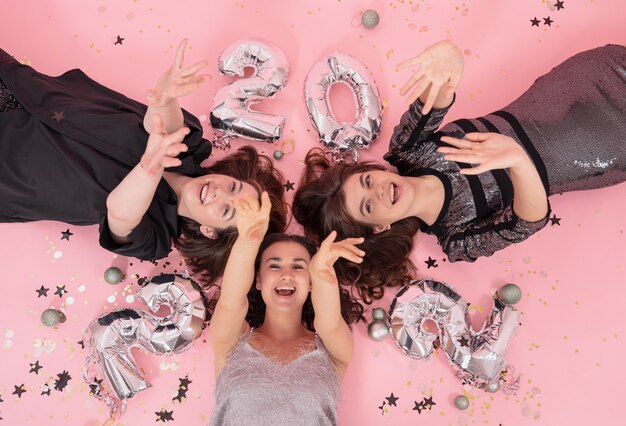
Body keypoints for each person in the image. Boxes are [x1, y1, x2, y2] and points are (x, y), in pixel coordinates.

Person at [293, 40, 626, 302]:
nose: (378, 189)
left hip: (580, 83)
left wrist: (448, 57)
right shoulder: (456, 238)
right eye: (368, 205)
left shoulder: (408, 150)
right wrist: (519, 161)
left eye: (366, 181)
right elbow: (528, 222)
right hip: (605, 146)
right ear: (379, 227)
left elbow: (440, 89)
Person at [0, 40, 288, 284]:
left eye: (225, 209)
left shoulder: (155, 238)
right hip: (20, 88)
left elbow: (120, 214)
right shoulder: (190, 148)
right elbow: (160, 124)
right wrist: (165, 98)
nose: (219, 192)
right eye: (234, 188)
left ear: (209, 231)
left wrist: (150, 167)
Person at [208, 191, 364, 425]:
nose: (286, 274)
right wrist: (248, 241)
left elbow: (329, 321)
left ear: (311, 283)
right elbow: (232, 300)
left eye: (299, 267)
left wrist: (322, 274)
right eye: (275, 265)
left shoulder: (334, 351)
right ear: (258, 280)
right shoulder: (230, 342)